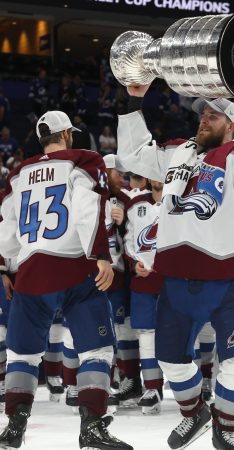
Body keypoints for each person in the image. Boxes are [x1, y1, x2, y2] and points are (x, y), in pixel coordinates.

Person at [117, 84, 234, 450]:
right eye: (202, 114)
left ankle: (227, 428)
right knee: (169, 358)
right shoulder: (178, 152)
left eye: (213, 116)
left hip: (228, 274)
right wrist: (135, 100)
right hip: (177, 275)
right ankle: (194, 413)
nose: (204, 119)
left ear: (230, 126)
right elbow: (133, 155)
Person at [0, 110, 133, 449]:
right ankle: (91, 426)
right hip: (74, 266)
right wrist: (100, 254)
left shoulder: (19, 174)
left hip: (30, 271)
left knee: (22, 355)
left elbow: (6, 237)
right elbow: (90, 210)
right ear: (67, 135)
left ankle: (14, 427)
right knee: (97, 350)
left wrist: (12, 264)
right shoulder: (84, 160)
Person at [123, 177, 165, 414]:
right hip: (144, 283)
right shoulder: (135, 205)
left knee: (184, 335)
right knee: (146, 336)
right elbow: (129, 241)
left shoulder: (182, 202)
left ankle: (193, 387)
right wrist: (134, 263)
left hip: (174, 283)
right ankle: (152, 388)